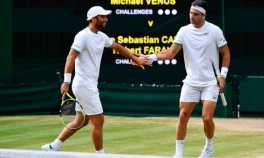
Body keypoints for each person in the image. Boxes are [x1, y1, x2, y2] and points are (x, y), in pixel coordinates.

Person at [41, 6, 148, 153]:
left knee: (81, 120)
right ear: (93, 19)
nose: (106, 19)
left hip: (88, 85)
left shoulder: (101, 36)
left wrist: (135, 59)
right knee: (99, 121)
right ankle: (100, 155)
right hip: (84, 85)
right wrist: (66, 81)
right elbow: (71, 56)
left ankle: (54, 146)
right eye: (102, 16)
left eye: (105, 16)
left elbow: (117, 46)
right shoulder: (82, 36)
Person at [146, 0, 230, 158]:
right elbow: (170, 53)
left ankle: (209, 146)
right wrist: (151, 57)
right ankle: (178, 153)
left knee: (207, 118)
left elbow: (226, 53)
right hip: (191, 82)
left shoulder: (215, 31)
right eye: (190, 13)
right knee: (183, 115)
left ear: (203, 16)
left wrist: (223, 75)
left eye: (196, 14)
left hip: (210, 83)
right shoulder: (183, 31)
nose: (192, 16)